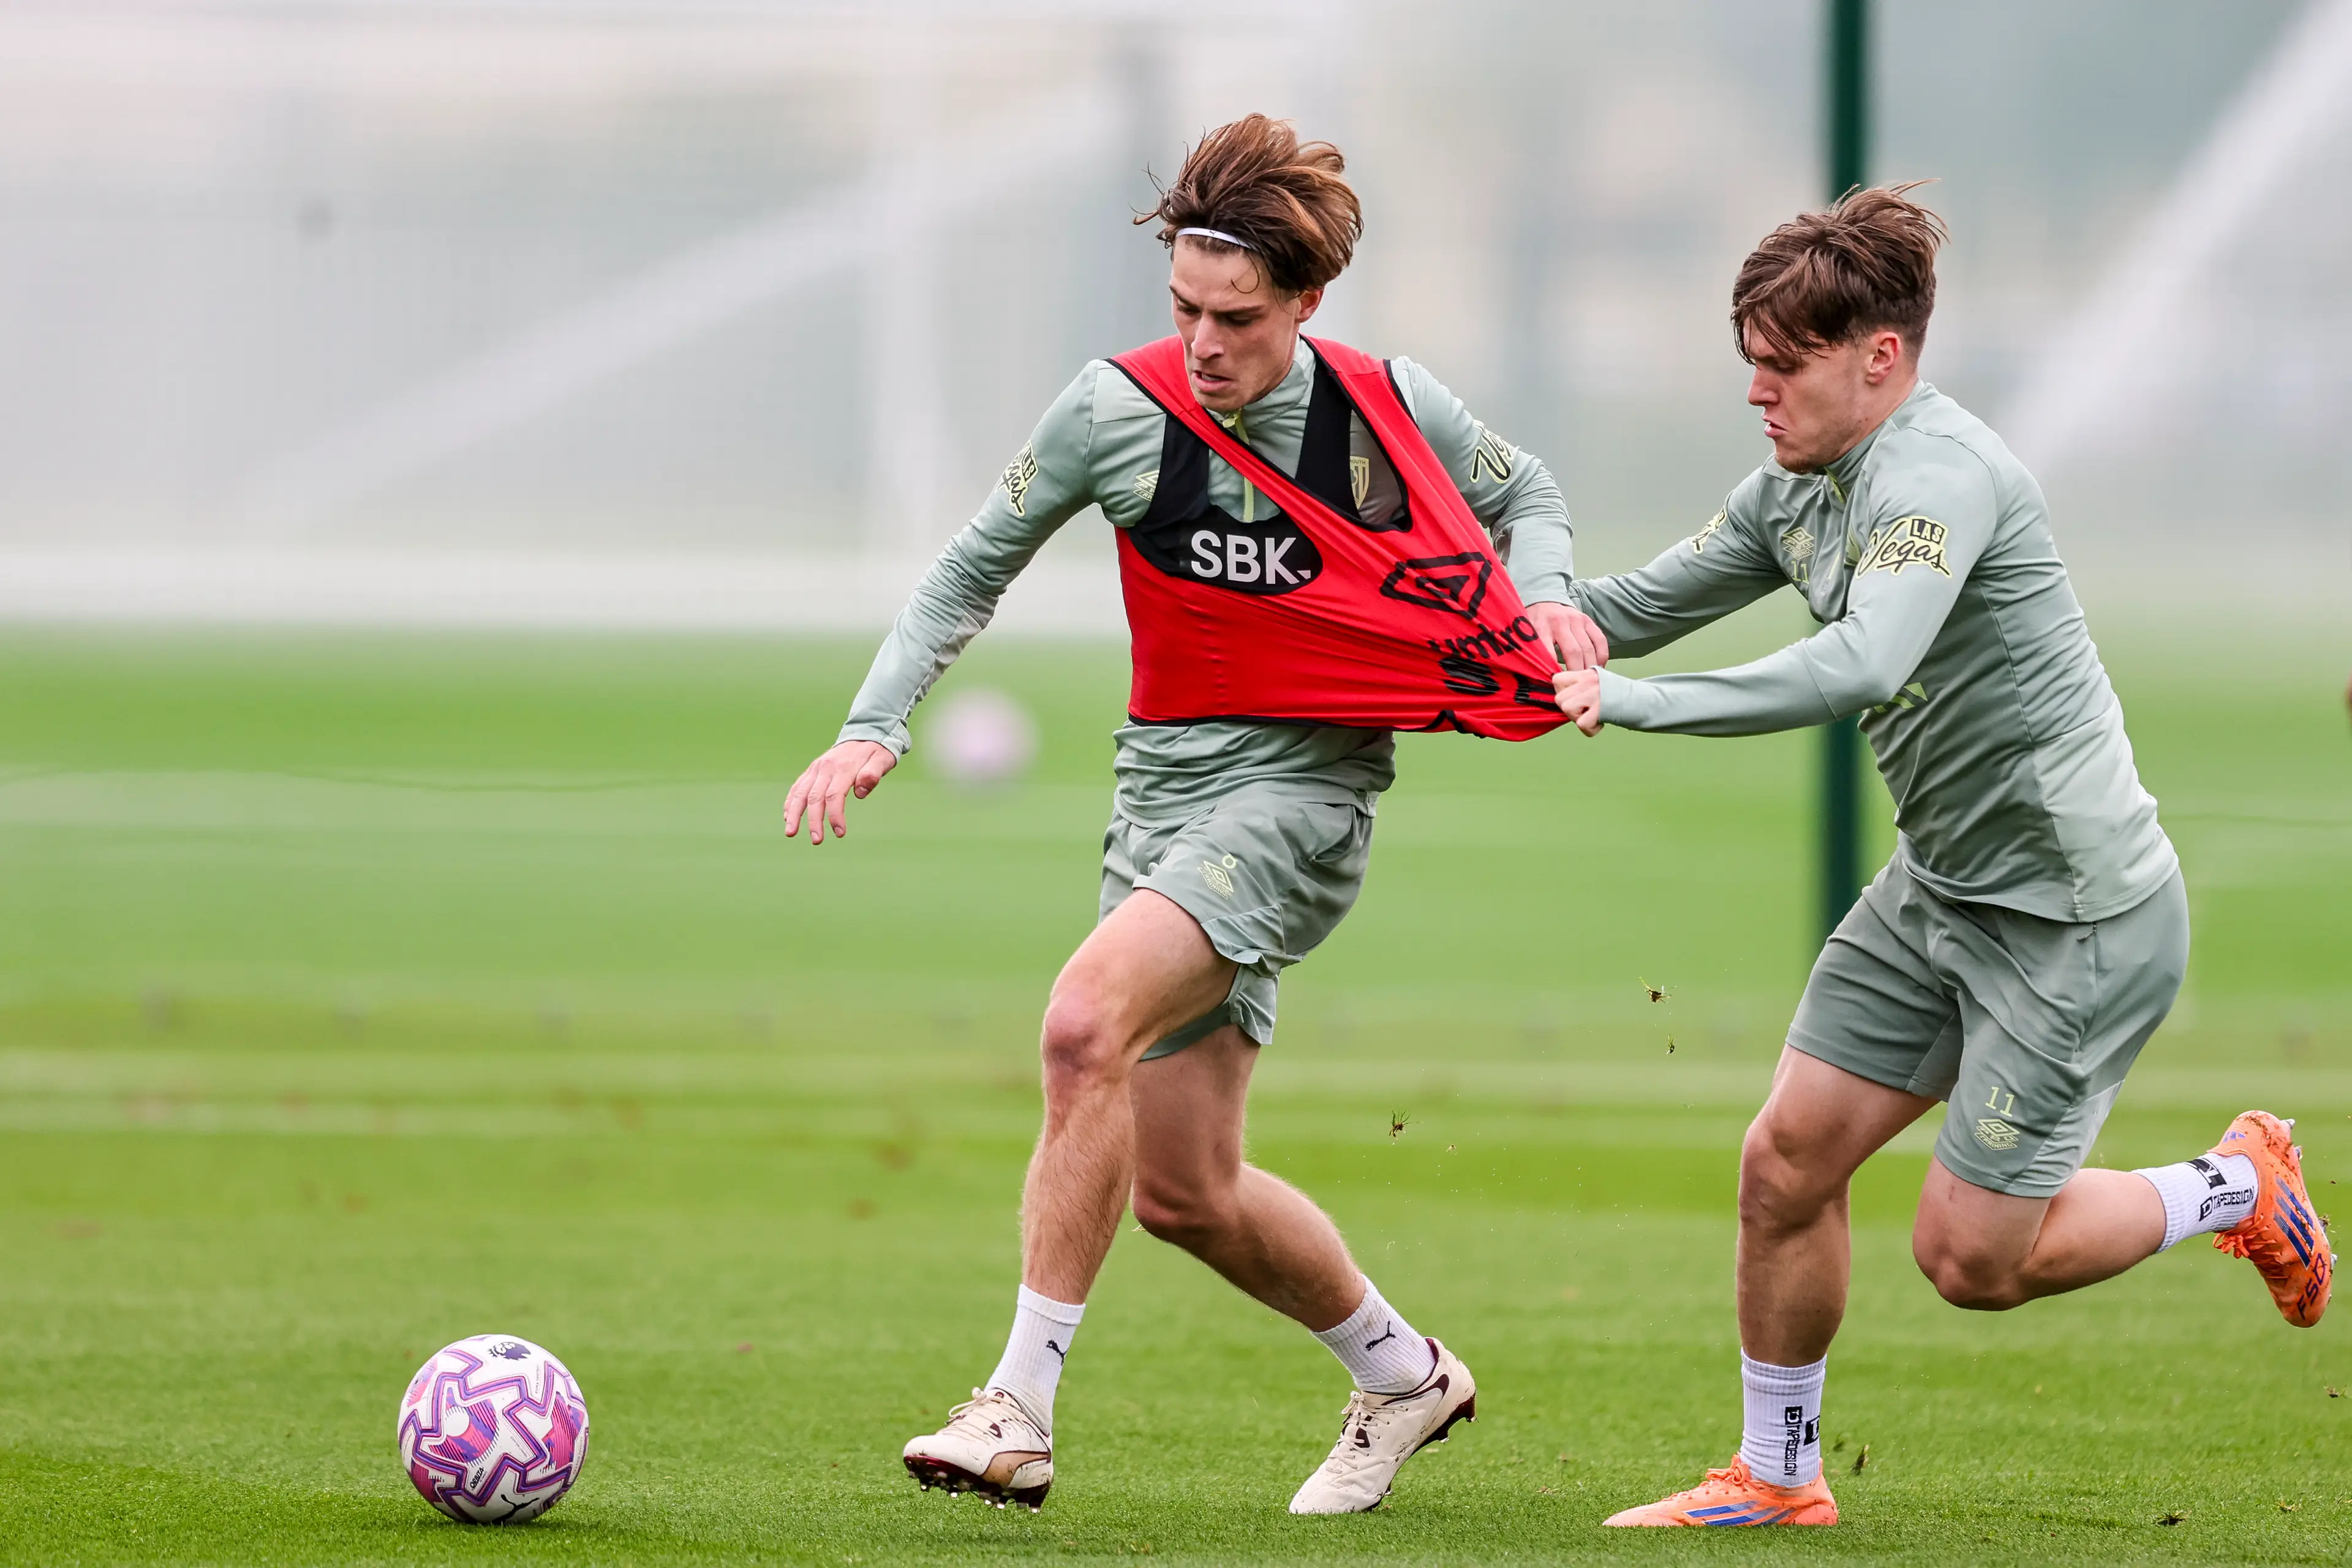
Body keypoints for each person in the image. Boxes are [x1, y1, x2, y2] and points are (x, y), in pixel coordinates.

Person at [785, 115, 1607, 1515]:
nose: (1205, 342)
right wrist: (873, 725)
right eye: (1184, 308)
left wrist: (1547, 594)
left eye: (1236, 316)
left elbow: (1524, 489)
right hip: (1159, 794)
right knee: (1187, 1190)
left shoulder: (1384, 406)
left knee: (1079, 1022)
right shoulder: (1114, 410)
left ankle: (1016, 1409)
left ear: (1306, 303)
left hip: (1304, 795)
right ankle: (1405, 1372)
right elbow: (964, 571)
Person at [1553, 184, 2334, 1529]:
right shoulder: (1792, 490)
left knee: (1970, 1257)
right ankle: (1779, 1475)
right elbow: (1623, 611)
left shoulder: (1939, 477)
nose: (1756, 388)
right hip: (1943, 890)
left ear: (1882, 357)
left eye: (1782, 363)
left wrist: (1623, 703)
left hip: (2075, 917)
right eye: (1748, 358)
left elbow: (1863, 657)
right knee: (1785, 1160)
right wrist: (1509, 624)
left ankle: (2237, 1183)